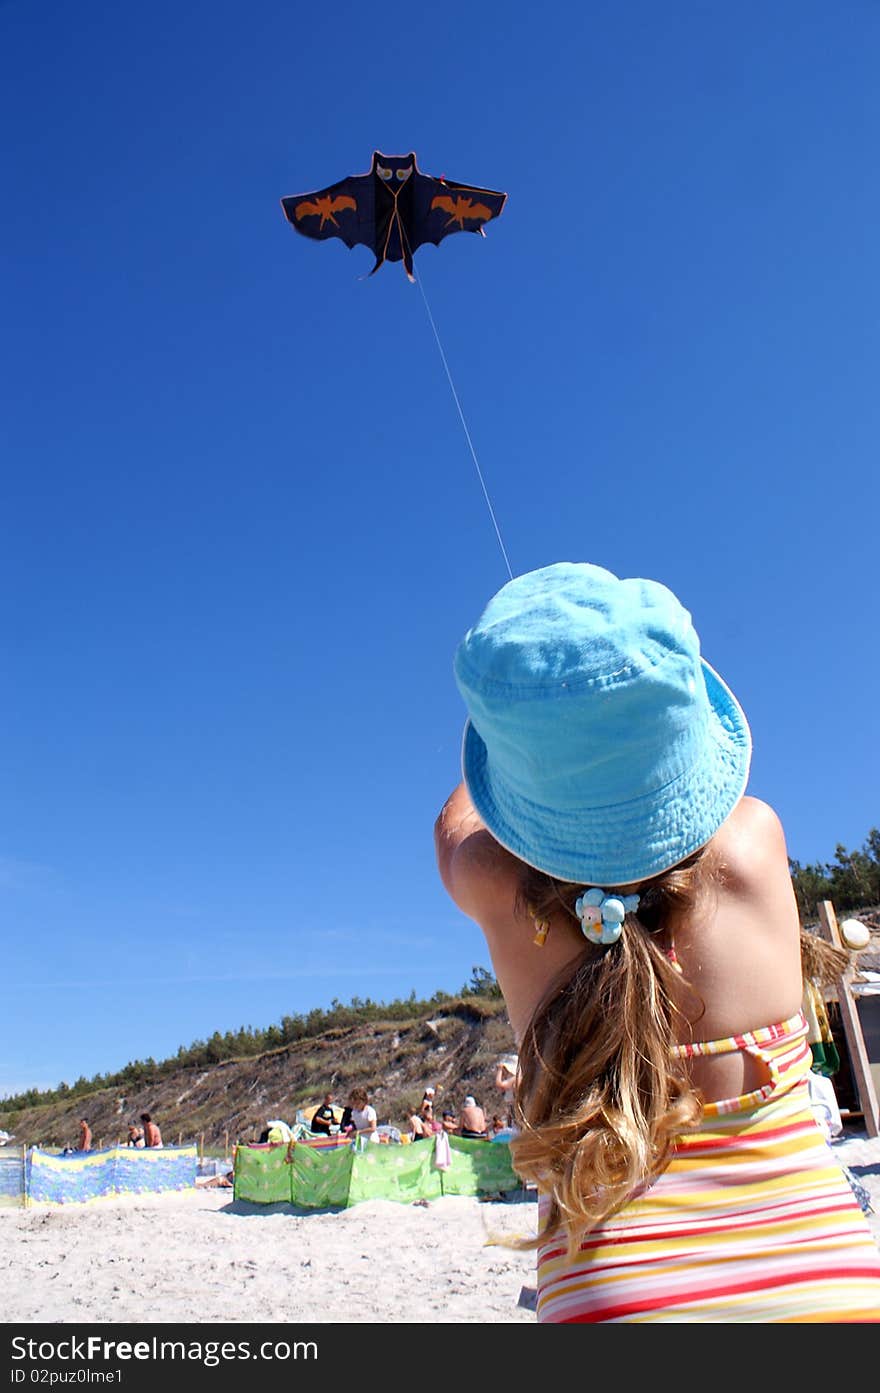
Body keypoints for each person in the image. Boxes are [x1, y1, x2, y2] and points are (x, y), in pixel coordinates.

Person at [434, 560, 880, 1323]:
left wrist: (517, 734)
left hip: (618, 1298)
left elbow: (457, 823)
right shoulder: (755, 843)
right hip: (825, 1280)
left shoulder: (497, 888)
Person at [494, 1053, 519, 1126]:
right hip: (512, 1108)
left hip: (516, 1107)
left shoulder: (515, 1078)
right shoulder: (512, 1078)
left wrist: (500, 1070)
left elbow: (500, 1085)